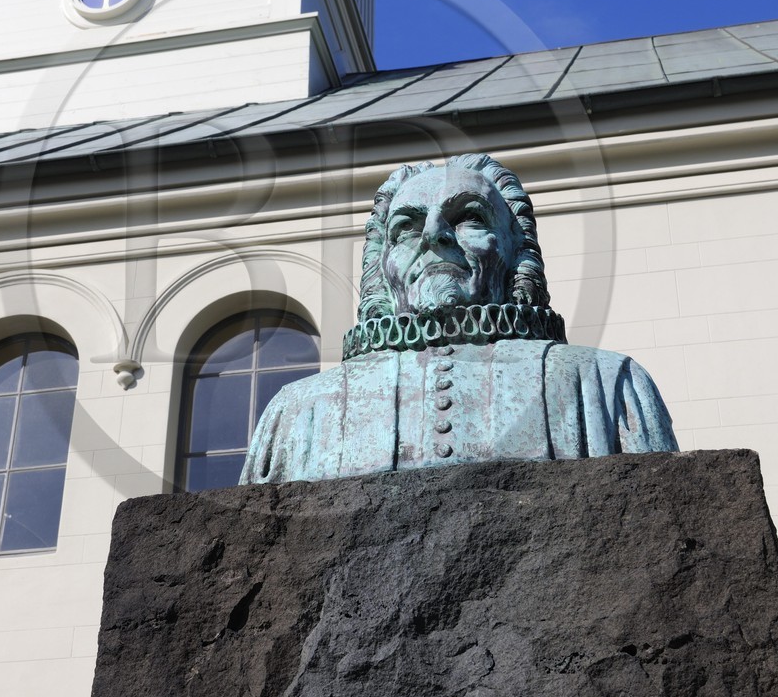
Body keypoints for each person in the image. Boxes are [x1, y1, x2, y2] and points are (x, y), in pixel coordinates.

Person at [240, 153, 677, 484]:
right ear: (382, 265)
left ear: (514, 250)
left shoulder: (605, 385)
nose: (432, 235)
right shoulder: (297, 413)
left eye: (468, 217)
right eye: (408, 227)